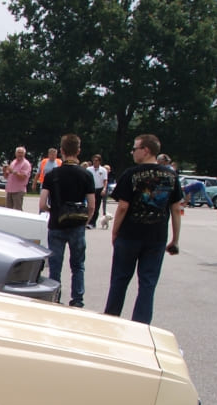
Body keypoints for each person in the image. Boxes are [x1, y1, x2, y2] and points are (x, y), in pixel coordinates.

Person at [103, 133, 184, 324]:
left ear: (145, 150)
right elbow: (175, 209)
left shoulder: (131, 174)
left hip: (130, 234)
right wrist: (175, 239)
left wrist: (115, 231)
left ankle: (111, 319)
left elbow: (123, 206)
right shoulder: (171, 176)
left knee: (120, 280)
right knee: (147, 284)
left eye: (135, 148)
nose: (132, 152)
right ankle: (141, 324)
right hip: (156, 237)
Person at [38, 133, 96, 307]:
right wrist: (86, 220)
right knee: (78, 265)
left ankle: (55, 297)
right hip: (77, 224)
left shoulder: (52, 175)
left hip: (57, 223)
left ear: (61, 151)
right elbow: (92, 205)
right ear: (78, 151)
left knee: (55, 264)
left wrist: (52, 210)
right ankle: (77, 299)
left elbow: (42, 203)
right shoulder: (86, 175)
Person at [85, 155, 109, 226]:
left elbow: (105, 181)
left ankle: (93, 222)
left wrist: (104, 189)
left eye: (96, 160)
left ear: (99, 161)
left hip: (99, 189)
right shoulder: (89, 169)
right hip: (91, 189)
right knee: (90, 206)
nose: (95, 162)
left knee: (96, 206)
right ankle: (88, 221)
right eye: (94, 160)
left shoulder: (103, 170)